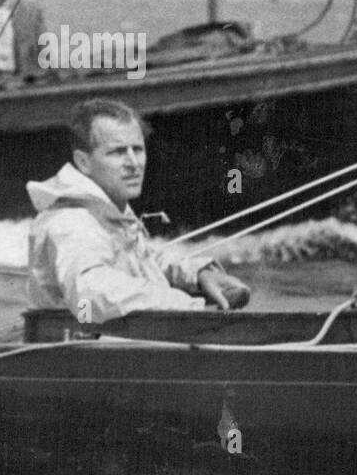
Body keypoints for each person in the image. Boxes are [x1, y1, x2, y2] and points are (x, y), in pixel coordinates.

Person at [27, 98, 250, 324]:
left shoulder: (109, 209)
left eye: (138, 149)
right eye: (117, 152)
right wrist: (185, 305)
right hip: (77, 349)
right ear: (84, 162)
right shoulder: (72, 221)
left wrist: (199, 275)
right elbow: (90, 295)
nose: (133, 163)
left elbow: (144, 261)